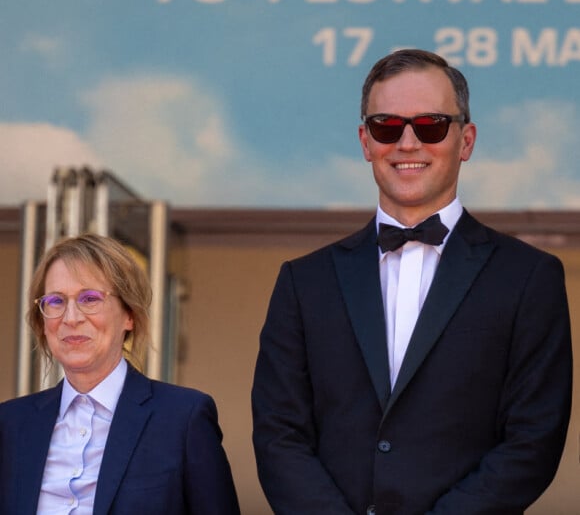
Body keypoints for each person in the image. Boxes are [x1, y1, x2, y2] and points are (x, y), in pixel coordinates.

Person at [251, 48, 573, 514]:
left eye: (431, 125)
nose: (407, 143)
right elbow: (279, 435)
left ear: (466, 140)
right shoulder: (304, 283)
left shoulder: (529, 278)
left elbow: (534, 441)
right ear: (365, 141)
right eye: (387, 126)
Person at [0, 233, 240, 515]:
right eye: (56, 301)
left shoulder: (183, 418)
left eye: (89, 298)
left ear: (129, 315)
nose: (71, 317)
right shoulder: (10, 424)